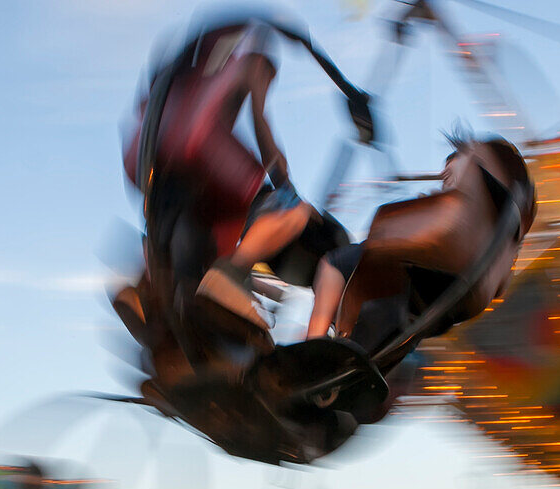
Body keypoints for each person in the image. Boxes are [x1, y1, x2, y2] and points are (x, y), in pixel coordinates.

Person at [119, 19, 322, 332]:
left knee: (205, 246)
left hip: (157, 168)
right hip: (204, 152)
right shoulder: (254, 62)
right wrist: (287, 186)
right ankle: (229, 275)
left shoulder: (190, 79)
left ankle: (149, 290)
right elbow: (261, 125)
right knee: (294, 211)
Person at [306, 133, 536, 340]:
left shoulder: (471, 176)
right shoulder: (503, 231)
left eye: (448, 172)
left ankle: (313, 342)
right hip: (456, 299)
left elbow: (442, 218)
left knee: (334, 262)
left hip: (428, 261)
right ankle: (350, 348)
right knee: (398, 318)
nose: (443, 175)